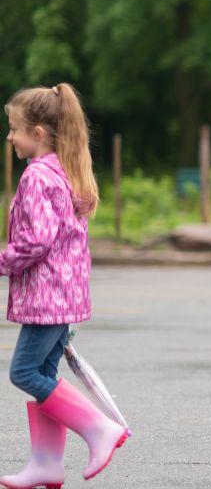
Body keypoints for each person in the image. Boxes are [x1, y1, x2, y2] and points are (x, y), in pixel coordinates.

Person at [0, 83, 130, 489]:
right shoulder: (66, 170)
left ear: (38, 133)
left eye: (15, 129)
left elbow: (36, 240)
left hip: (46, 297)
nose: (9, 136)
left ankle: (98, 428)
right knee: (43, 372)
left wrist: (2, 260)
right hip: (65, 295)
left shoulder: (38, 175)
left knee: (23, 372)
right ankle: (46, 464)